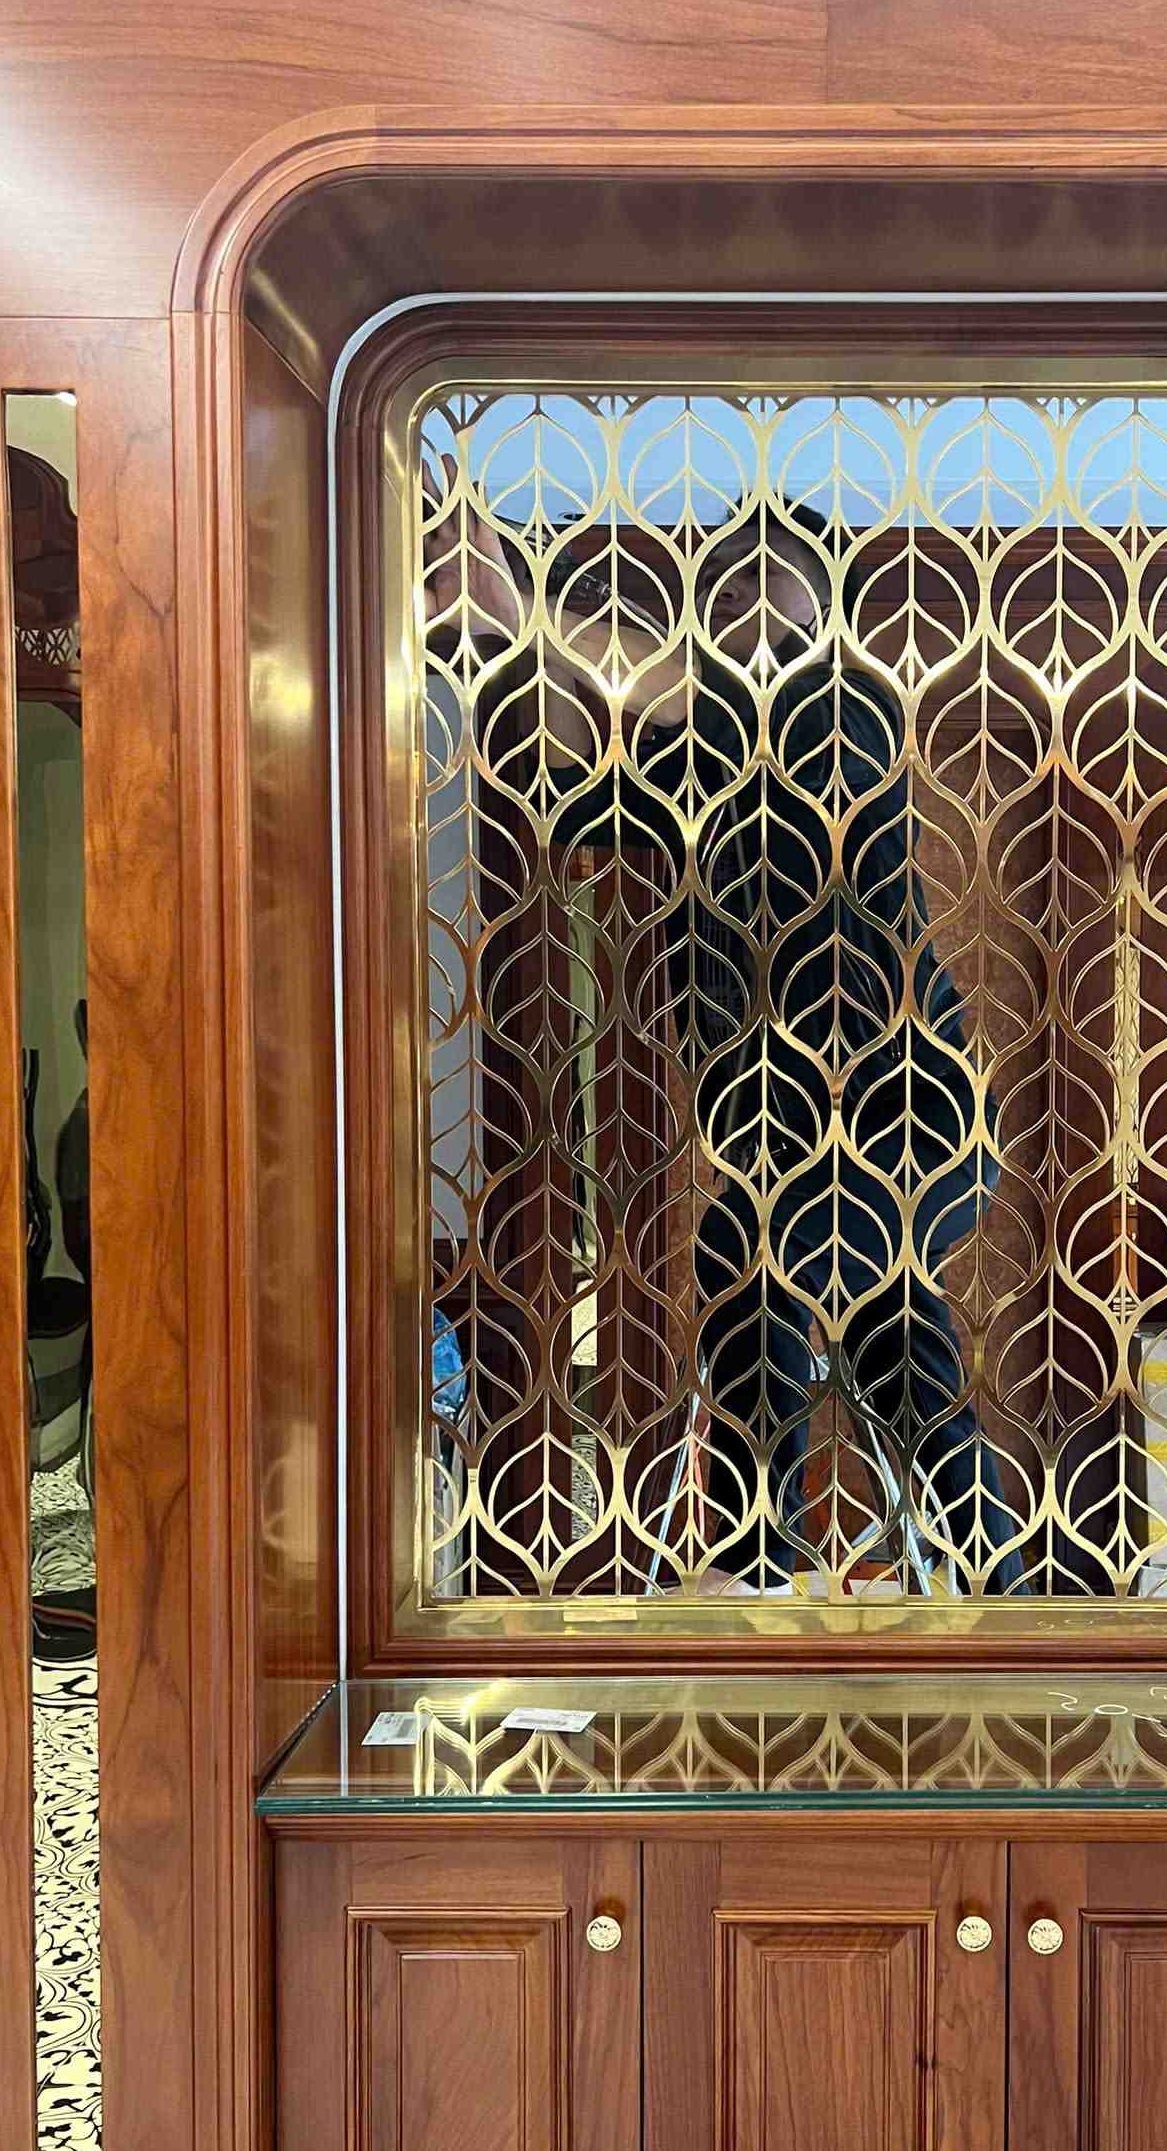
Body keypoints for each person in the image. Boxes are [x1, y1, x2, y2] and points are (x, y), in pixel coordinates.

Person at [425, 468, 1022, 1595]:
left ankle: (798, 1565)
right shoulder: (706, 748)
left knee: (774, 1291)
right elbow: (576, 767)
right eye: (725, 579)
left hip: (898, 1106)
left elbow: (685, 709)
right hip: (788, 1120)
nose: (737, 595)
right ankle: (923, 1574)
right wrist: (501, 631)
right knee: (845, 1329)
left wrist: (513, 594)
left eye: (766, 576)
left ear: (822, 604)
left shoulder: (840, 699)